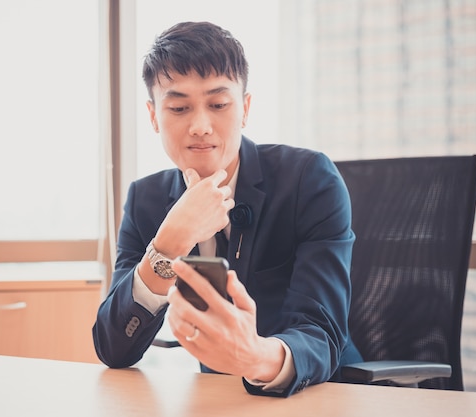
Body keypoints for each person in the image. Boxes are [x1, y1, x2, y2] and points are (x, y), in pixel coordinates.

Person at [92, 21, 361, 397]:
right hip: (221, 400)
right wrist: (166, 247)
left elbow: (322, 333)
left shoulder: (309, 180)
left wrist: (255, 356)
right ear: (154, 116)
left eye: (218, 104)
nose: (201, 126)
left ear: (245, 108)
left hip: (322, 395)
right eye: (180, 107)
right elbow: (113, 347)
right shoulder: (145, 199)